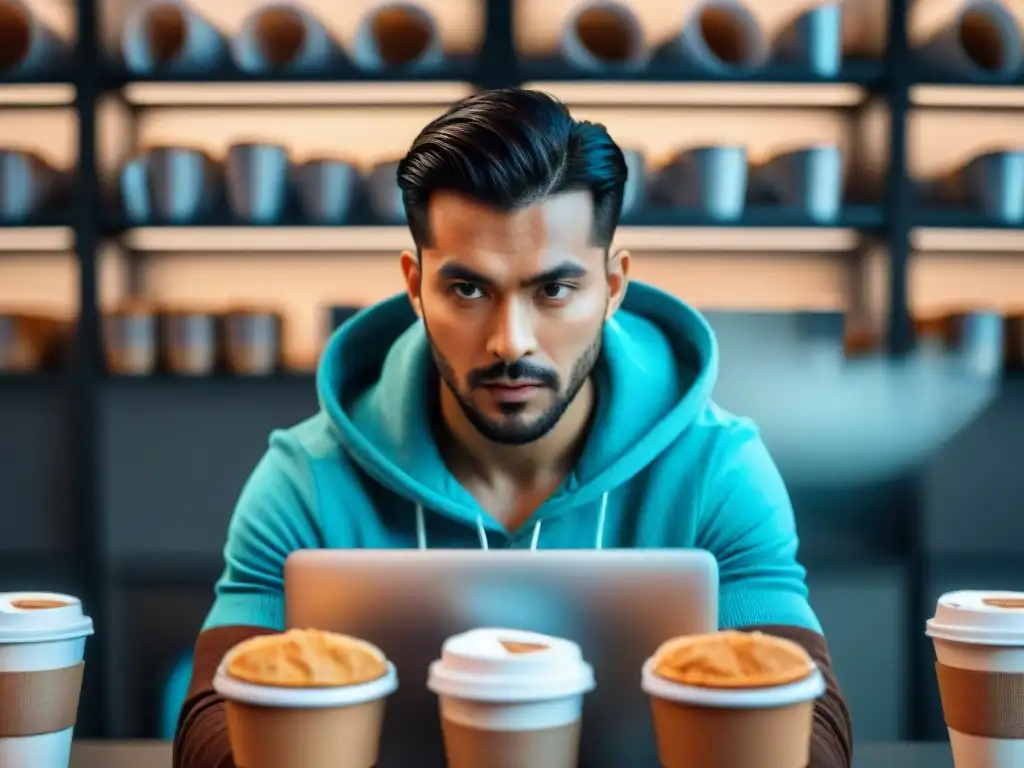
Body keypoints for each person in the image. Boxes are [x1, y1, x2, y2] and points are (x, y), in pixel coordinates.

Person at [173, 88, 852, 768]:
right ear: (415, 286)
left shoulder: (718, 469)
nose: (510, 342)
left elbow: (811, 718)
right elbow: (210, 718)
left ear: (613, 287)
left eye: (553, 289)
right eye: (468, 289)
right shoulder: (303, 479)